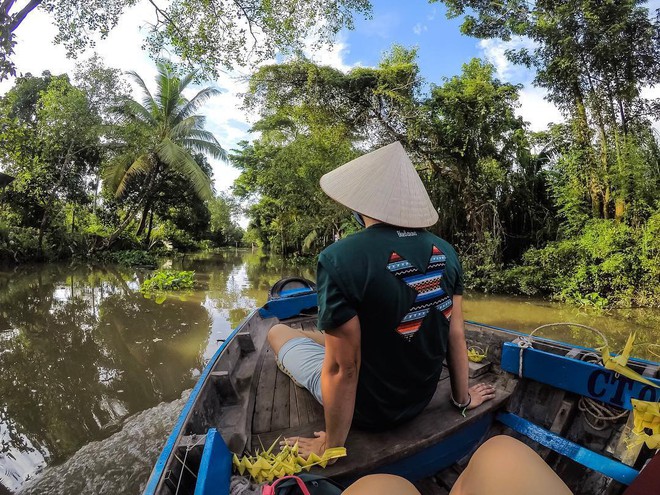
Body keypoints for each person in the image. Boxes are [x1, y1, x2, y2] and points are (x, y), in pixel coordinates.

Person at [267, 141, 496, 457]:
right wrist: (462, 399)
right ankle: (318, 336)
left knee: (276, 332)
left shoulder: (340, 258)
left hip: (367, 413)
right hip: (418, 400)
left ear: (361, 204)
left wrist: (330, 445)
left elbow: (342, 369)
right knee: (347, 336)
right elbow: (455, 334)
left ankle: (310, 336)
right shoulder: (447, 252)